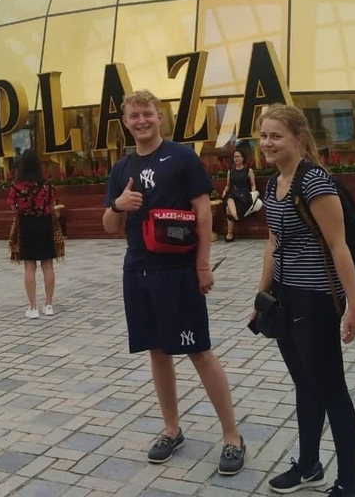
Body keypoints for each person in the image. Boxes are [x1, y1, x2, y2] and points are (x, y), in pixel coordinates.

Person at [102, 89, 245, 476]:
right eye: (134, 116)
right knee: (157, 351)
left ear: (159, 117)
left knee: (198, 350)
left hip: (179, 270)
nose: (142, 121)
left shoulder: (182, 157)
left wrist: (203, 265)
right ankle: (171, 429)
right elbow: (109, 225)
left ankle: (232, 435)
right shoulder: (121, 168)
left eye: (147, 113)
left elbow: (203, 212)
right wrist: (118, 206)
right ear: (126, 122)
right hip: (138, 270)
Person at [254, 104, 355, 497]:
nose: (267, 143)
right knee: (305, 384)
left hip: (317, 299)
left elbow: (339, 247)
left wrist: (353, 306)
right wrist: (262, 295)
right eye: (263, 135)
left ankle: (349, 484)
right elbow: (273, 242)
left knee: (332, 388)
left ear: (298, 139)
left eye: (275, 136)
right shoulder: (274, 183)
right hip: (286, 297)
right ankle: (309, 465)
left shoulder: (314, 182)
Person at [7, 149, 63, 318]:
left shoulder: (17, 186)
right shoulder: (47, 185)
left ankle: (32, 307)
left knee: (29, 267)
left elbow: (12, 207)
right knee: (48, 266)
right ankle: (49, 305)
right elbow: (53, 204)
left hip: (27, 226)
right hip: (45, 225)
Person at [221, 147, 257, 242]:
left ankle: (230, 233)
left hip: (243, 196)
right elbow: (228, 185)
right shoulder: (231, 171)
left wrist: (253, 196)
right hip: (233, 193)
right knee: (229, 199)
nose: (236, 159)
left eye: (238, 156)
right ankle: (235, 218)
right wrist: (224, 191)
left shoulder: (248, 171)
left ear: (243, 158)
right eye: (234, 157)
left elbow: (253, 185)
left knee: (228, 208)